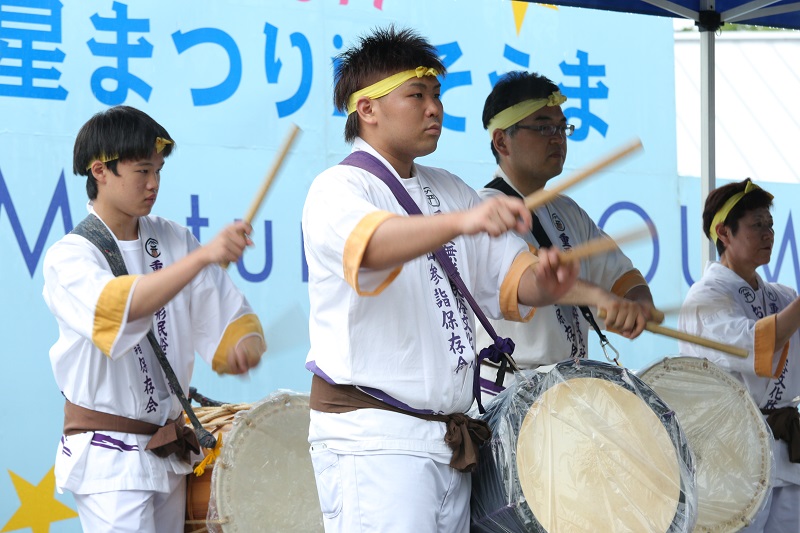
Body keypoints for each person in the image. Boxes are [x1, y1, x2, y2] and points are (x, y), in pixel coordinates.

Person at [302, 27, 579, 532]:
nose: (434, 108)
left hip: (446, 439)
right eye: (417, 95)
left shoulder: (450, 189)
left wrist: (549, 280)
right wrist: (460, 223)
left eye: (437, 95)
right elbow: (373, 246)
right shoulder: (338, 188)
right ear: (367, 109)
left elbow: (513, 280)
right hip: (374, 441)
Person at [42, 105, 267, 533]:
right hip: (109, 458)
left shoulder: (173, 239)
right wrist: (205, 256)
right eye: (143, 170)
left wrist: (241, 347)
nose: (154, 184)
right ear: (100, 170)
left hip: (168, 452)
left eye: (159, 171)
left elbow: (224, 319)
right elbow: (119, 307)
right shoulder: (71, 256)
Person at [476, 70, 656, 402]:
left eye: (562, 128)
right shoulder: (485, 211)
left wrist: (636, 306)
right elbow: (533, 278)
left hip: (566, 395)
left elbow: (623, 278)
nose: (558, 138)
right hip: (511, 397)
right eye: (543, 127)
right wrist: (603, 300)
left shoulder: (568, 212)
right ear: (502, 141)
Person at [679, 178, 800, 533]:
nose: (768, 233)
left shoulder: (782, 296)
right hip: (731, 457)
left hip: (786, 456)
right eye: (756, 225)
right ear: (724, 233)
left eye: (770, 225)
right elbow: (755, 344)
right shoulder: (705, 299)